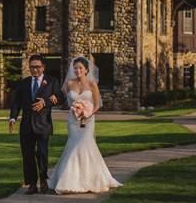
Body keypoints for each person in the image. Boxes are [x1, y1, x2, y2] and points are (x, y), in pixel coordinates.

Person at [48, 55, 122, 194]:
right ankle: (68, 180)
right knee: (72, 145)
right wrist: (54, 97)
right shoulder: (69, 84)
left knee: (85, 145)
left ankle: (92, 180)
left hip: (88, 121)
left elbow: (97, 104)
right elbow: (60, 96)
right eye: (75, 68)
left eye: (80, 68)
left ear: (86, 70)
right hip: (73, 121)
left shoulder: (92, 84)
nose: (77, 71)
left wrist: (88, 113)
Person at [8, 54, 63, 195]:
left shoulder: (52, 81)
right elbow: (16, 102)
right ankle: (32, 184)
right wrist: (13, 118)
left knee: (42, 153)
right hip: (26, 126)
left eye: (37, 67)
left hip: (43, 125)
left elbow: (61, 97)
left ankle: (43, 181)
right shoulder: (24, 83)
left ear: (43, 67)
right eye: (32, 67)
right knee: (27, 155)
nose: (34, 70)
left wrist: (46, 102)